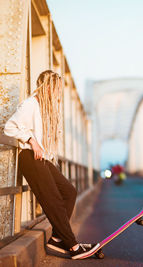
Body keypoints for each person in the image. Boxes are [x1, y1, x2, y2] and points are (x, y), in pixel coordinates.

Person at [4, 70, 99, 260]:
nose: (58, 93)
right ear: (46, 87)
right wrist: (31, 139)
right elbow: (9, 126)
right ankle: (73, 246)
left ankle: (56, 238)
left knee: (69, 192)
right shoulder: (30, 104)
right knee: (54, 199)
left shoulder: (44, 108)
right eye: (55, 88)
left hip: (42, 160)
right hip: (30, 158)